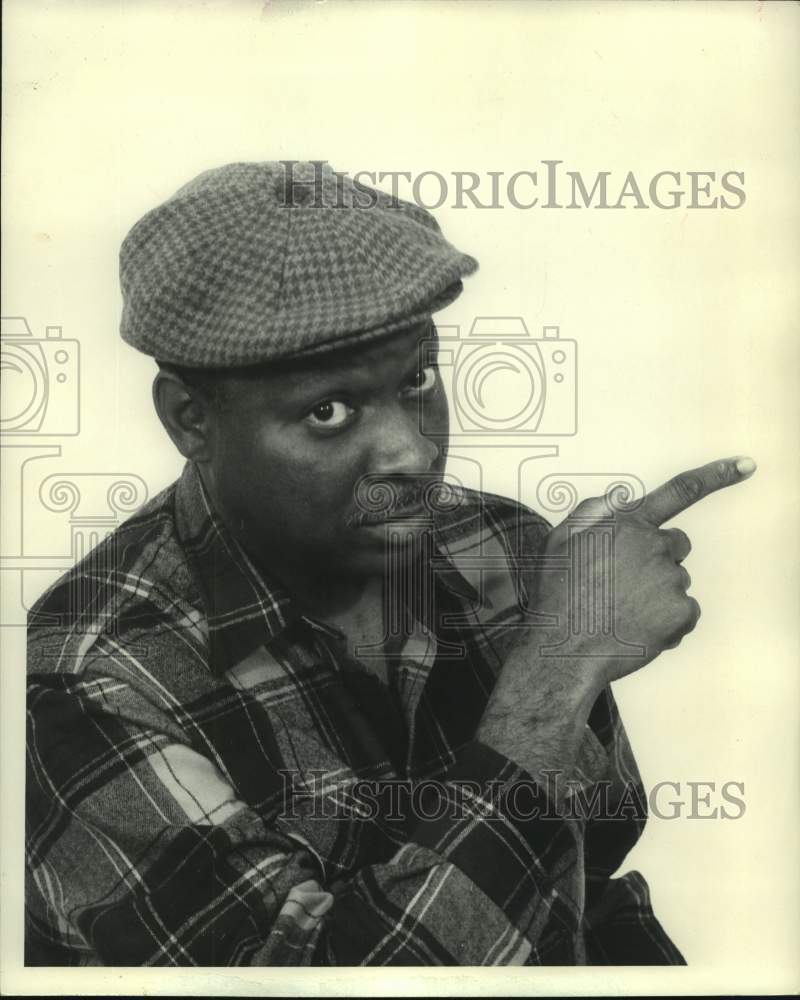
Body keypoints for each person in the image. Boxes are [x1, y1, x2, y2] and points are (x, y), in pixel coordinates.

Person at [25, 160, 755, 966]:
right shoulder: (85, 682)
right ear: (189, 419)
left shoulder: (503, 549)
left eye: (418, 379)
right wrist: (558, 664)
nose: (414, 452)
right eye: (327, 411)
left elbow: (591, 877)